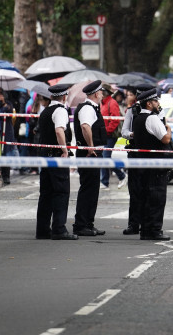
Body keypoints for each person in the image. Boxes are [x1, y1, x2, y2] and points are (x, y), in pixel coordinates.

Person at [36, 83, 78, 241]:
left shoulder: (45, 111)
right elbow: (59, 130)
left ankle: (42, 230)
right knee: (60, 192)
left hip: (45, 156)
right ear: (64, 97)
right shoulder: (60, 110)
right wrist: (65, 150)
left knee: (46, 194)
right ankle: (59, 229)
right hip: (57, 156)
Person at [132, 88, 173, 240]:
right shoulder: (152, 118)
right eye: (155, 101)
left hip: (143, 162)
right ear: (149, 103)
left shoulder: (137, 118)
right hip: (156, 164)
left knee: (146, 197)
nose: (158, 103)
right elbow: (165, 139)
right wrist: (168, 129)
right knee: (157, 197)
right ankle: (154, 230)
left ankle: (146, 229)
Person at [73, 80, 108, 237]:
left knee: (92, 189)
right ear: (95, 93)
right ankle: (81, 224)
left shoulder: (92, 107)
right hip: (89, 154)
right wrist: (91, 146)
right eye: (101, 92)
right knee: (88, 189)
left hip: (92, 153)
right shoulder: (87, 108)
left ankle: (88, 223)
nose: (102, 94)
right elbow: (85, 127)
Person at [120, 83, 156, 235]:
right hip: (135, 152)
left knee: (149, 189)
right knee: (135, 190)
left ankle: (147, 224)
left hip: (150, 154)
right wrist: (133, 134)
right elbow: (124, 131)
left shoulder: (156, 111)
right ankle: (134, 224)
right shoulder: (132, 111)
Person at [100, 83, 126, 188]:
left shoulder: (112, 103)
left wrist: (106, 131)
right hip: (105, 134)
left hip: (110, 135)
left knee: (106, 158)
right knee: (104, 157)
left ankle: (122, 175)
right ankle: (104, 181)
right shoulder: (103, 103)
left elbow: (115, 121)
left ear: (105, 93)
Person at [0, 87, 18, 185]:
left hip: (7, 131)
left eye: (0, 93)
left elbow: (8, 112)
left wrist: (3, 103)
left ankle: (6, 176)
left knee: (6, 153)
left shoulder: (9, 103)